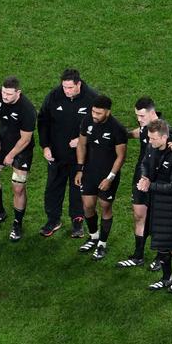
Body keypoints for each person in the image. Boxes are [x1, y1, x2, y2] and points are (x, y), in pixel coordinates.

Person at [119, 97, 172, 268]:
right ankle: (138, 255)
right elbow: (139, 133)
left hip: (159, 182)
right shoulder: (145, 128)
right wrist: (124, 134)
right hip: (142, 177)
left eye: (142, 116)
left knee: (158, 218)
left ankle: (160, 256)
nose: (139, 119)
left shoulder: (166, 130)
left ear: (152, 113)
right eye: (137, 115)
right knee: (139, 215)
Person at [37, 69, 97, 237]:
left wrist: (81, 139)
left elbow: (100, 123)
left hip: (81, 155)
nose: (67, 91)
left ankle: (77, 221)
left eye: (70, 87)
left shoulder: (92, 98)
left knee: (77, 187)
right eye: (64, 87)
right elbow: (43, 121)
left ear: (79, 84)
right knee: (53, 187)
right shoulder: (54, 96)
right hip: (56, 153)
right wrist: (45, 146)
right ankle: (53, 219)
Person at [138, 120, 172, 292]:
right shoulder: (152, 147)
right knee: (160, 243)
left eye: (153, 139)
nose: (150, 142)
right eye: (149, 138)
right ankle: (167, 277)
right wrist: (145, 177)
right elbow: (144, 164)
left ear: (164, 137)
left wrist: (149, 186)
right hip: (155, 203)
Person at [0, 76, 36, 239]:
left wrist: (11, 155)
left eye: (9, 94)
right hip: (1, 143)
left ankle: (17, 224)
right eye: (4, 92)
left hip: (21, 149)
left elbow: (25, 139)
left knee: (18, 187)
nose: (5, 97)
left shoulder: (27, 109)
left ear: (18, 92)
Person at [75, 94, 128, 257]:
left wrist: (110, 178)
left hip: (108, 174)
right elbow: (81, 144)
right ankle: (93, 237)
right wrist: (79, 169)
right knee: (88, 206)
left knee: (105, 206)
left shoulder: (117, 128)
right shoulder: (87, 121)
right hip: (90, 171)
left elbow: (121, 156)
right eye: (93, 111)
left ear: (108, 112)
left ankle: (102, 244)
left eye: (99, 113)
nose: (95, 115)